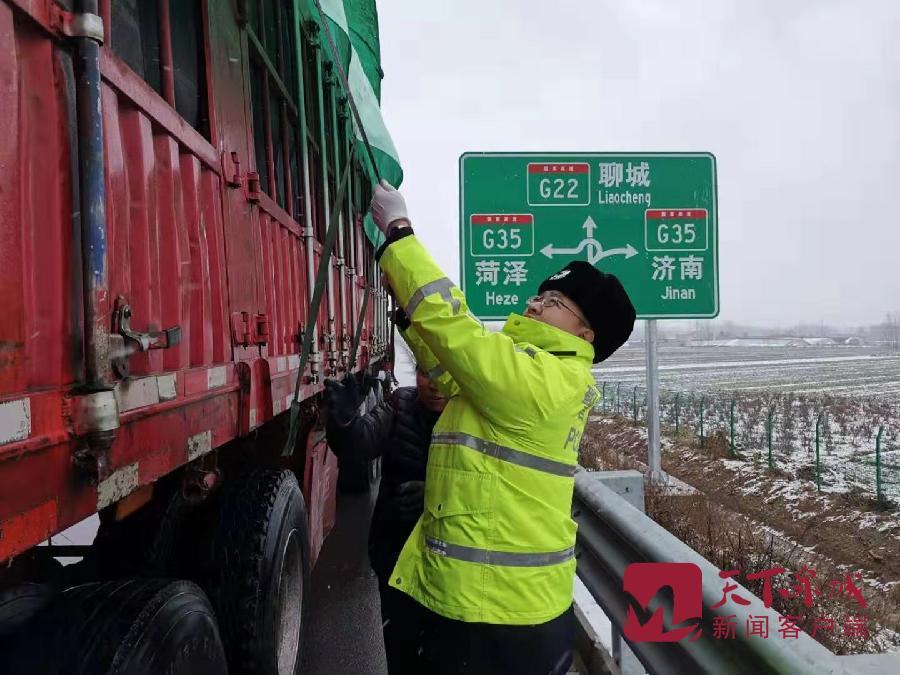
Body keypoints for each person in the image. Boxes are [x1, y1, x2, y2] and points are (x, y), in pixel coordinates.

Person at [368, 180, 636, 674]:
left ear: (587, 333)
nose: (535, 303)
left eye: (555, 300)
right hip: (492, 603)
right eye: (540, 294)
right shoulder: (532, 374)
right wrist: (410, 317)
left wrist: (400, 236)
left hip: (498, 613)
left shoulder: (548, 380)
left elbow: (461, 336)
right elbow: (455, 373)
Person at [324, 356, 448, 674]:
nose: (432, 383)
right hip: (395, 555)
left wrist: (438, 496)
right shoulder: (400, 404)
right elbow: (359, 446)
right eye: (424, 373)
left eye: (442, 373)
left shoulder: (475, 416)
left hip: (452, 566)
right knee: (401, 650)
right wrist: (344, 424)